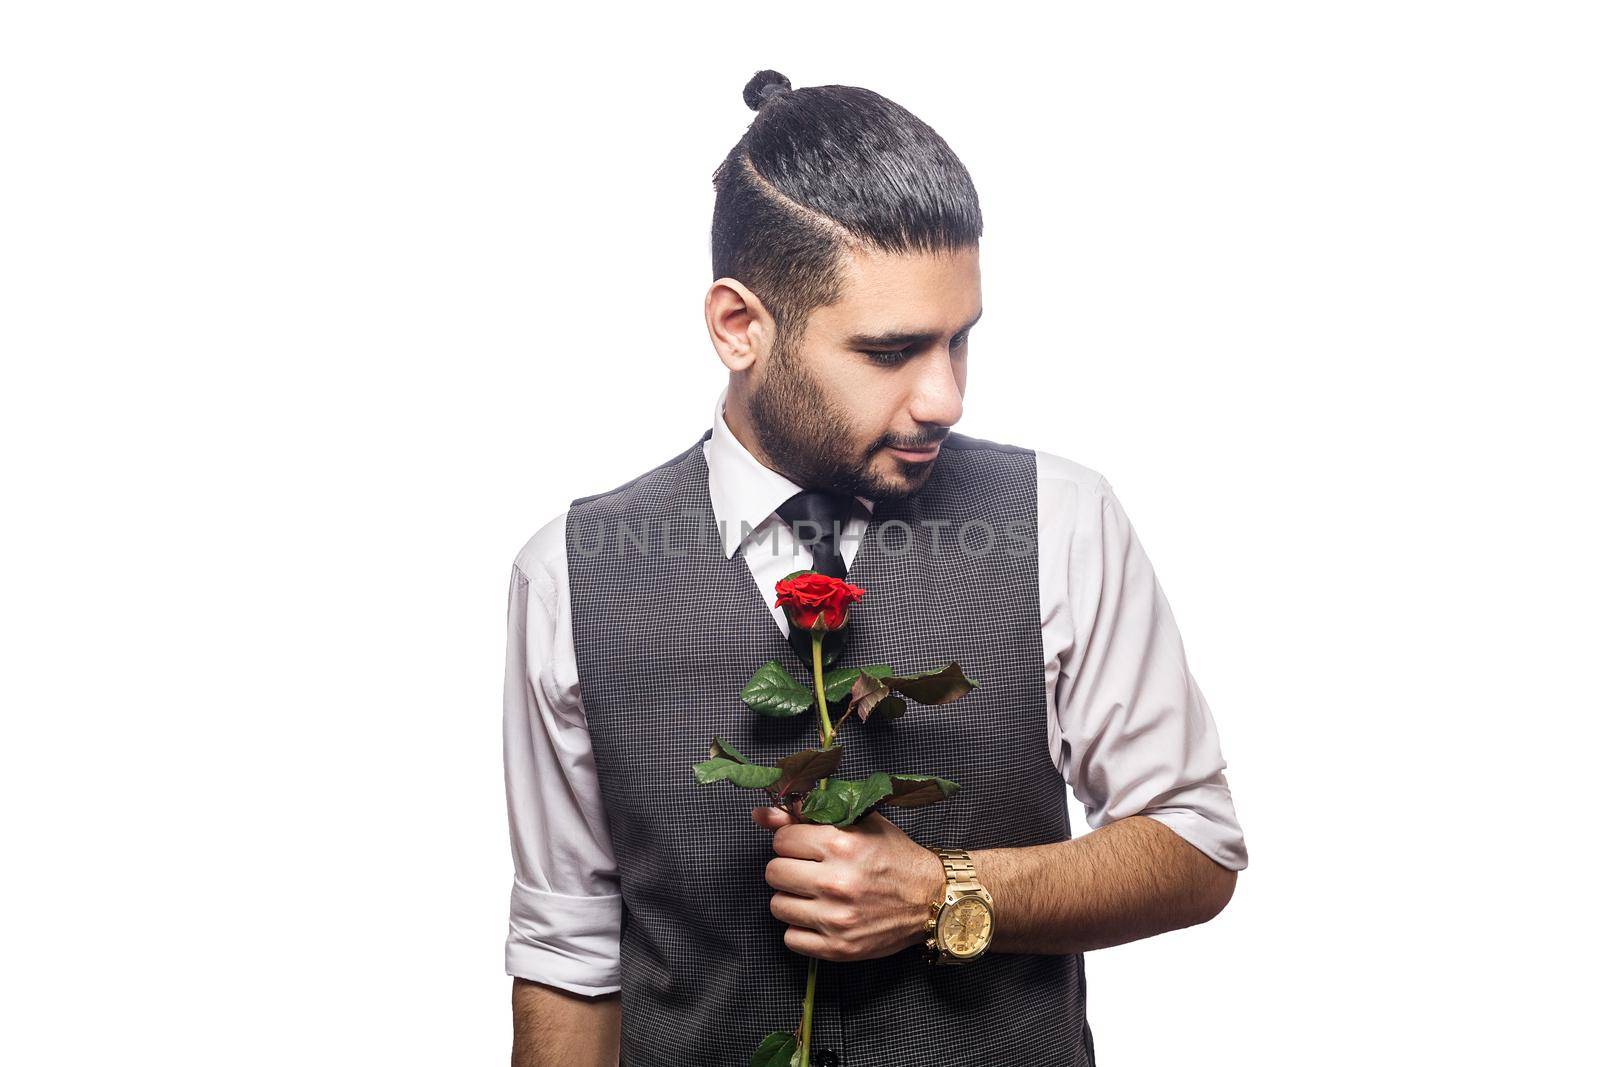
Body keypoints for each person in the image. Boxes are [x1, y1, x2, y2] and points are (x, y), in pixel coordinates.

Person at [503, 70, 1247, 1067]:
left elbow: (1194, 844)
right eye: (891, 350)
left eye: (958, 340)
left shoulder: (1066, 519)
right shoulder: (568, 571)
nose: (943, 396)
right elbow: (566, 951)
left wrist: (945, 890)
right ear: (738, 325)